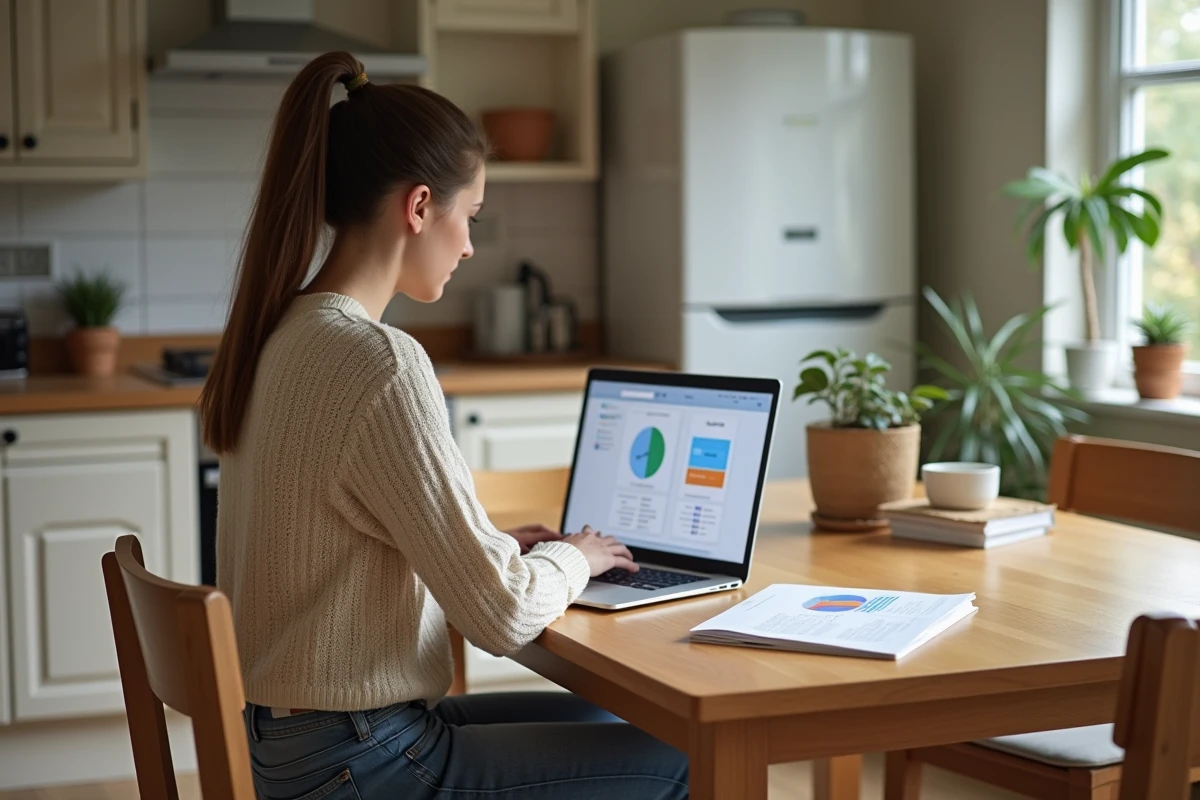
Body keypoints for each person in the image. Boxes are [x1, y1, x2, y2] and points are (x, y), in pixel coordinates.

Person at [197, 51, 689, 799]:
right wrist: (579, 559)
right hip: (357, 757)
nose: (467, 246)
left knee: (607, 717)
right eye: (470, 218)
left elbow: (357, 535)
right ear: (419, 206)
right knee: (686, 762)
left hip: (297, 741)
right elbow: (503, 616)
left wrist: (493, 545)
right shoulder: (380, 362)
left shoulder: (284, 332)